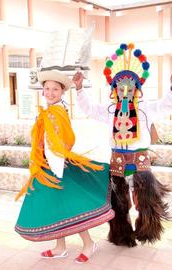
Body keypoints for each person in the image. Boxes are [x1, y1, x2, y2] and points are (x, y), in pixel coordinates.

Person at [74, 42, 172, 247]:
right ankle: (121, 234)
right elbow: (89, 109)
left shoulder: (146, 108)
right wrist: (79, 88)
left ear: (136, 88)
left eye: (129, 86)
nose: (125, 90)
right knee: (119, 203)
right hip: (117, 161)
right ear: (114, 89)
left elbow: (166, 105)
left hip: (140, 162)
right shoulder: (110, 109)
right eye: (120, 86)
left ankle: (147, 231)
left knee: (145, 202)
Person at [15, 70, 114, 263]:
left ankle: (88, 244)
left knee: (71, 207)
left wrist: (58, 155)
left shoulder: (57, 112)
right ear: (42, 91)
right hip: (46, 166)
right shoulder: (48, 111)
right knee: (57, 207)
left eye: (55, 89)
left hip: (58, 167)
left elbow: (68, 139)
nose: (50, 92)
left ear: (61, 92)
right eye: (47, 89)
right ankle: (60, 247)